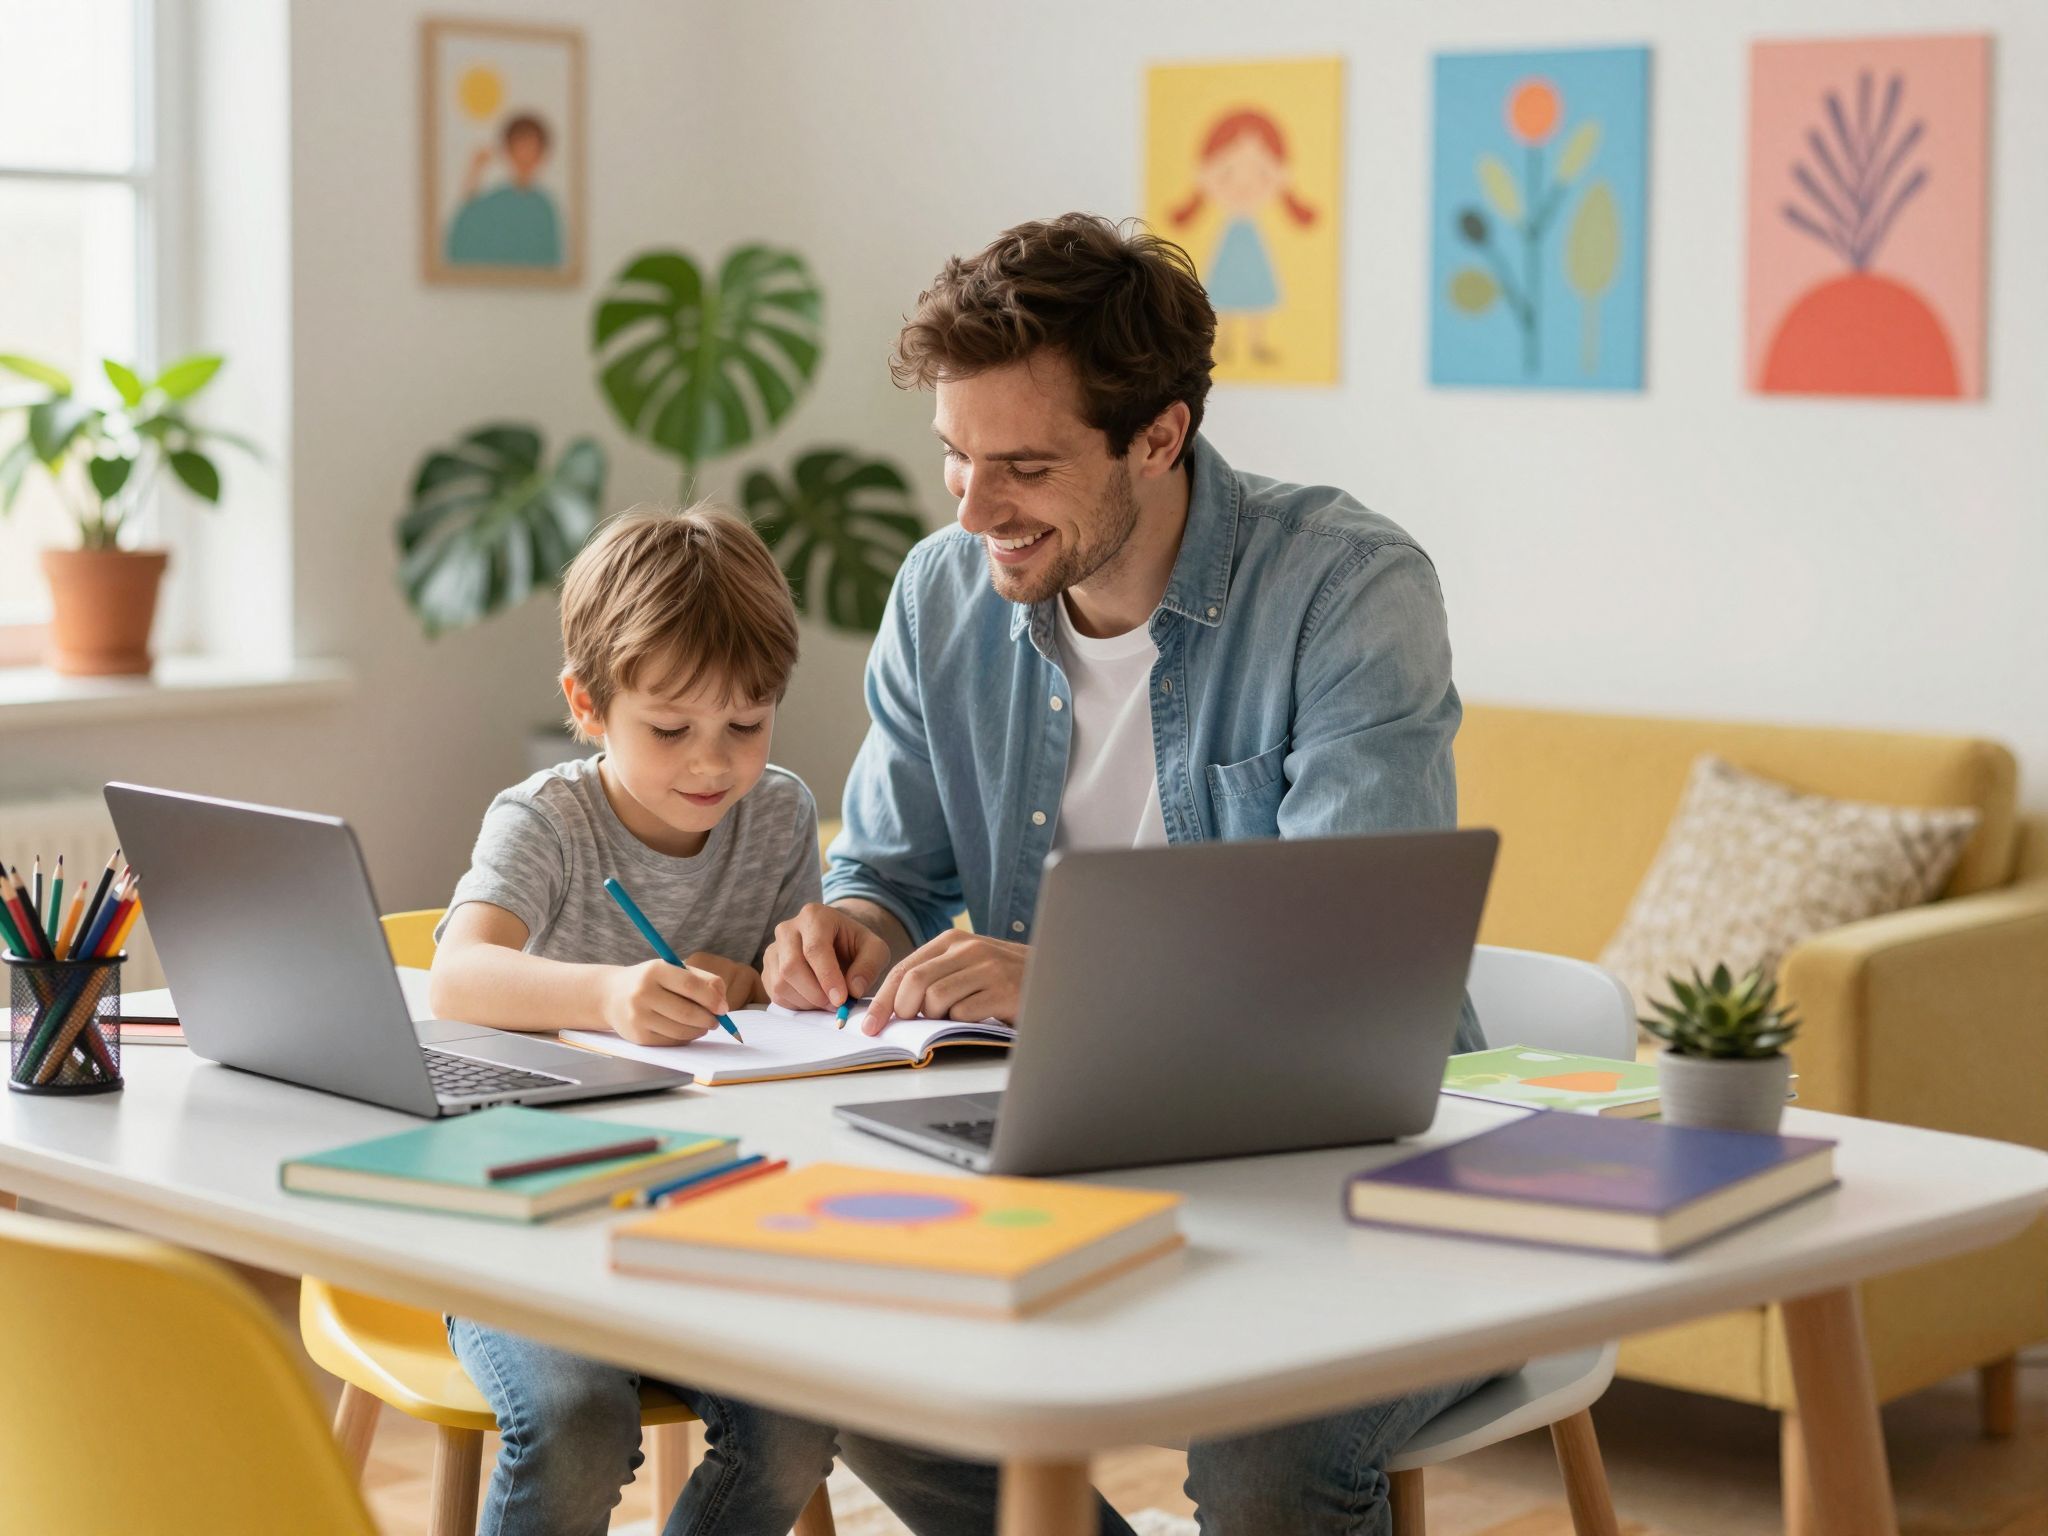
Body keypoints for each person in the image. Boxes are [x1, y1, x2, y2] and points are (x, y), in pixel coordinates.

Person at [763, 213, 1491, 1535]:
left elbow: (1342, 967)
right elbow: (886, 871)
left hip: (1339, 1176)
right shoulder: (945, 597)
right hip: (1060, 1157)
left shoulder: (1346, 592)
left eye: (1024, 467)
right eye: (954, 461)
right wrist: (853, 930)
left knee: (1267, 1452)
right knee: (843, 1350)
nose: (976, 512)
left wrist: (1064, 985)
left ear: (1158, 437)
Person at [428, 504, 837, 1535]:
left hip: (711, 1203)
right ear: (587, 703)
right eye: (670, 729)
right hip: (527, 1206)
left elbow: (772, 989)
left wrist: (773, 978)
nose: (713, 763)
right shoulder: (547, 820)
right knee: (572, 1422)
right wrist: (607, 995)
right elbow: (459, 974)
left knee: (799, 1417)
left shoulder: (779, 813)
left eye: (747, 725)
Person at [445, 110, 564, 268]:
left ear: (541, 154)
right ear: (508, 151)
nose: (526, 156)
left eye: (532, 148)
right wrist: (474, 172)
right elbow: (464, 229)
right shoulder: (494, 202)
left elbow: (552, 261)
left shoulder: (545, 207)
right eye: (520, 147)